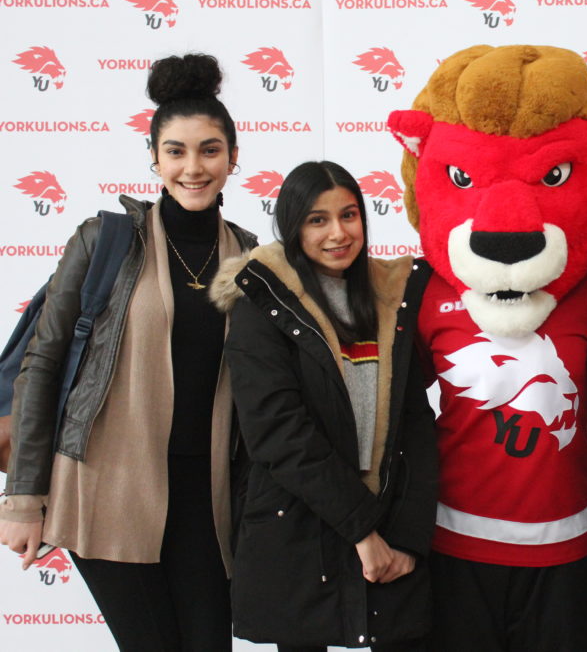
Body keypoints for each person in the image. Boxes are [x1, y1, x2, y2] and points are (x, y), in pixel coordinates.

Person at [0, 53, 256, 650]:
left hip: (207, 502)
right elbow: (42, 367)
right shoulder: (104, 240)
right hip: (107, 489)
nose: (193, 168)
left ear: (233, 158)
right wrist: (23, 498)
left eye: (210, 150)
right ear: (154, 158)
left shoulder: (252, 259)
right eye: (176, 151)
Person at [211, 161, 437, 652]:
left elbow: (416, 424)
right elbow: (279, 434)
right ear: (293, 227)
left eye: (349, 215)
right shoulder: (260, 304)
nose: (338, 233)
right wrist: (363, 531)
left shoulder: (390, 298)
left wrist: (410, 540)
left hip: (391, 532)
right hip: (297, 531)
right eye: (318, 220)